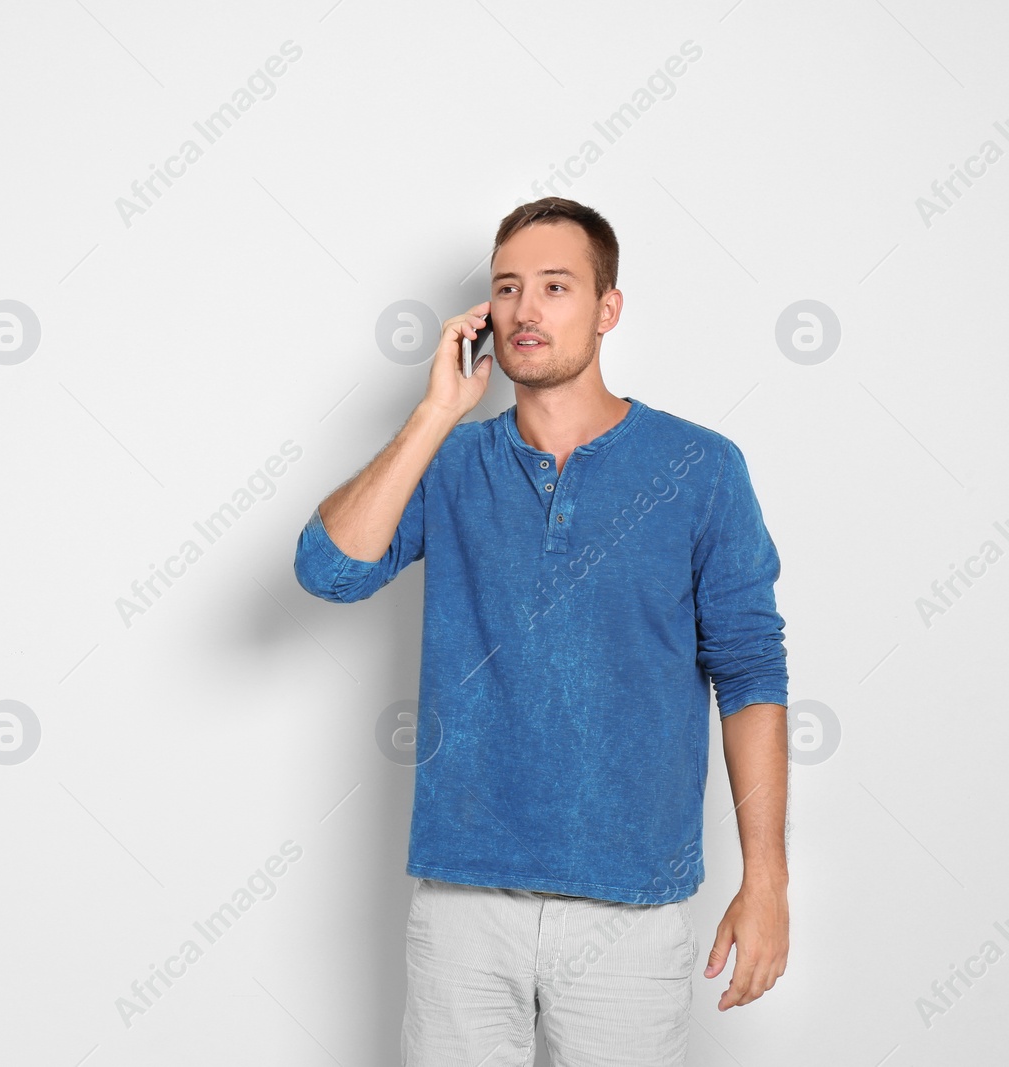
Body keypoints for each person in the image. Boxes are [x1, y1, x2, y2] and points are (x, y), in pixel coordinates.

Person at [291, 197, 790, 1065]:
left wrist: (768, 880)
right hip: (462, 904)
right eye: (508, 288)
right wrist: (436, 412)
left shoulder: (700, 467)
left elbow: (749, 673)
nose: (527, 309)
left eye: (556, 287)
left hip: (631, 910)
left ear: (607, 309)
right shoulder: (450, 463)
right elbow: (330, 570)